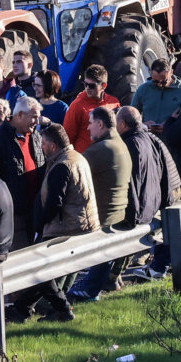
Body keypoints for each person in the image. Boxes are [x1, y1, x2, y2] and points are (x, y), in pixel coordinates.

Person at [6, 124, 97, 322]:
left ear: (53, 146)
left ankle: (61, 309)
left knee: (42, 271)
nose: (42, 147)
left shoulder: (61, 166)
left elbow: (54, 203)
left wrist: (40, 226)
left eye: (44, 143)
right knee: (44, 272)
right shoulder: (77, 158)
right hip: (80, 224)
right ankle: (22, 309)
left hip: (65, 228)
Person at [67, 106, 132, 302]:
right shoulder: (120, 143)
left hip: (103, 214)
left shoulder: (100, 149)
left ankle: (90, 290)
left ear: (100, 124)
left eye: (90, 123)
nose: (87, 128)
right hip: (118, 212)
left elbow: (72, 174)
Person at [117, 107, 181, 280]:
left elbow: (138, 179)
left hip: (168, 186)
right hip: (169, 185)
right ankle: (156, 266)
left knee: (159, 228)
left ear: (123, 124)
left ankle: (157, 268)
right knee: (161, 228)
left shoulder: (133, 142)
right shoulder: (147, 136)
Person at [0, 95, 46, 247]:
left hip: (36, 208)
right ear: (20, 115)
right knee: (20, 253)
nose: (37, 122)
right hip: (14, 212)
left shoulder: (35, 136)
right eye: (34, 117)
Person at [62, 65, 121, 154]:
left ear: (103, 86)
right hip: (84, 158)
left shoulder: (114, 103)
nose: (87, 88)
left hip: (107, 157)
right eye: (85, 84)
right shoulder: (77, 105)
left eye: (92, 86)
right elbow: (67, 138)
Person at [131, 59, 181, 135]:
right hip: (148, 138)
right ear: (151, 74)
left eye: (164, 81)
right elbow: (131, 116)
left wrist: (169, 125)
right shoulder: (143, 89)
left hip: (172, 138)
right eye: (155, 81)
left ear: (171, 72)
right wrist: (143, 125)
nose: (159, 84)